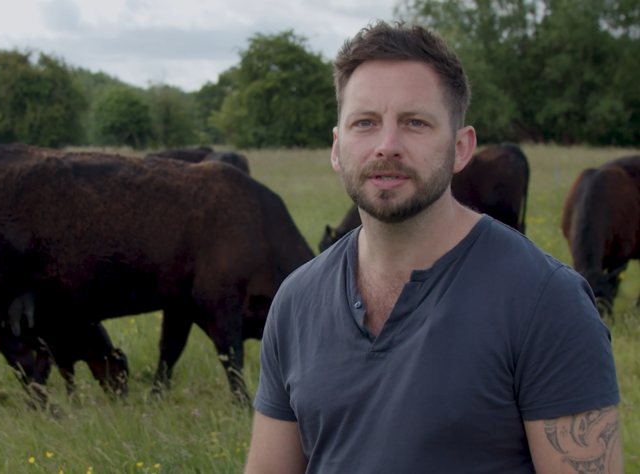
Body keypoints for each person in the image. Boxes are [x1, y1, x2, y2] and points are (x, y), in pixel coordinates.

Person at [244, 21, 622, 473]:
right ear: (337, 147)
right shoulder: (296, 301)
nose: (387, 146)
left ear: (461, 148)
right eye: (365, 123)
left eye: (415, 123)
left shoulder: (546, 301)